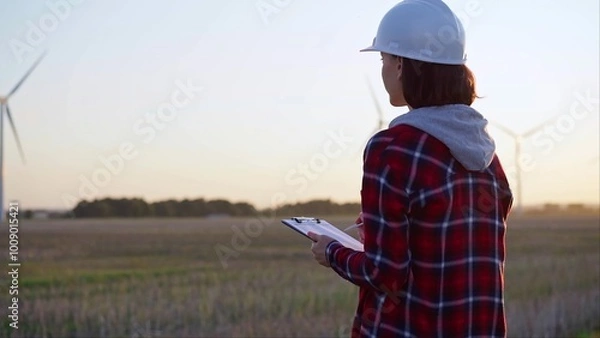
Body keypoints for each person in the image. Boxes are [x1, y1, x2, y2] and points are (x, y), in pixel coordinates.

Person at [307, 0, 514, 337]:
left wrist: (332, 252)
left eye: (383, 58)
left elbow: (385, 273)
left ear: (401, 64)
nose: (383, 69)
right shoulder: (491, 160)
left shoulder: (392, 148)